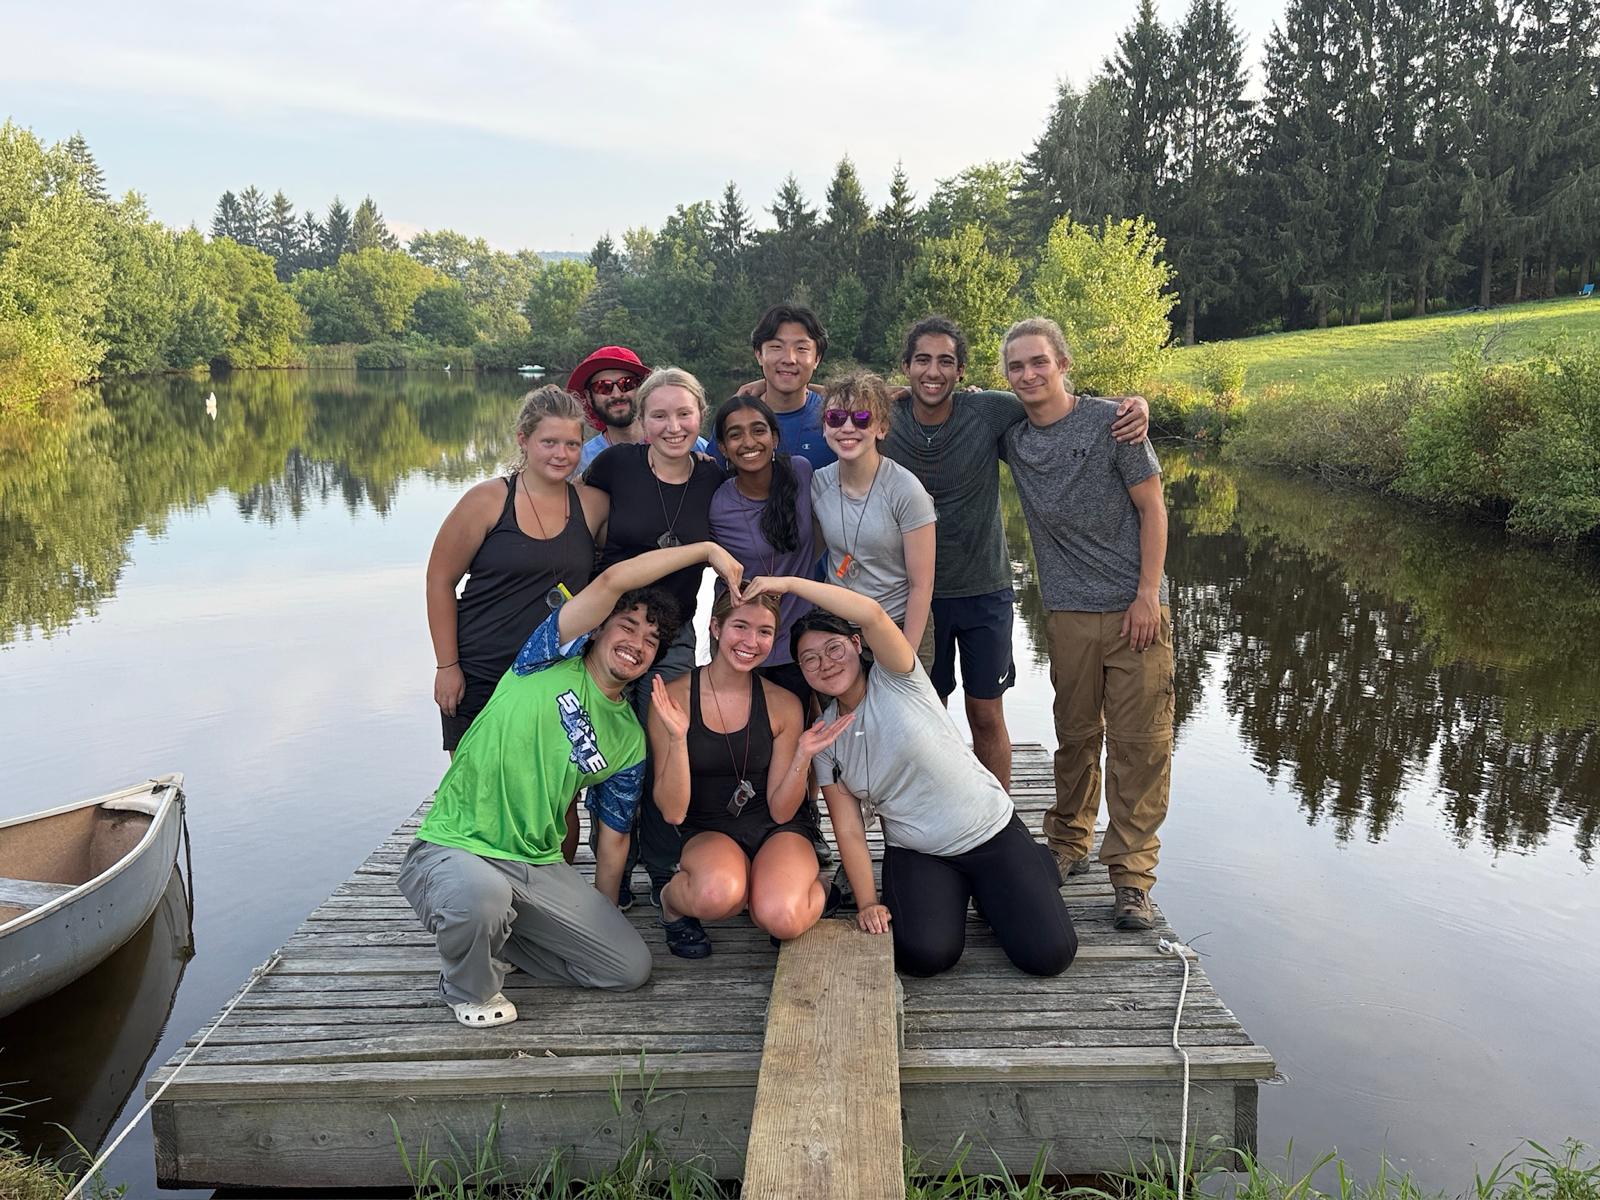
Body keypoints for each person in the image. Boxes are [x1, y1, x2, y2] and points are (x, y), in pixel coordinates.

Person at [398, 539, 745, 1028]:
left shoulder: (628, 738)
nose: (637, 643)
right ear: (598, 627)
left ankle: (499, 937)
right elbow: (614, 581)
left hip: (535, 864)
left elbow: (615, 837)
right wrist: (705, 551)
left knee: (627, 968)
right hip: (456, 844)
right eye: (628, 626)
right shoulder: (544, 658)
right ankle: (467, 985)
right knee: (479, 900)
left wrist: (599, 914)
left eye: (651, 640)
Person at [740, 574, 1077, 979]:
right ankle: (975, 891)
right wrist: (868, 902)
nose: (825, 663)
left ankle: (1019, 873)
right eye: (810, 659)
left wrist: (790, 584)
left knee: (1049, 955)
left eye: (833, 648)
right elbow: (849, 830)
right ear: (803, 671)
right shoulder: (824, 738)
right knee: (924, 955)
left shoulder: (897, 676)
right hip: (919, 852)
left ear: (856, 644)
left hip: (989, 831)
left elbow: (871, 613)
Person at [882, 316, 1150, 792]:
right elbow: (831, 401)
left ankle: (997, 819)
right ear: (905, 367)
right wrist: (766, 386)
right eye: (922, 360)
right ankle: (932, 817)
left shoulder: (988, 411)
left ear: (961, 371)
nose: (933, 371)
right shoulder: (886, 417)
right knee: (924, 713)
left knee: (986, 714)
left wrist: (1133, 405)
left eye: (945, 361)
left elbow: (1058, 405)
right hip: (915, 595)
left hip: (984, 590)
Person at [1000, 317, 1173, 933]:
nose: (1028, 374)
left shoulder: (1114, 423)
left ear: (1063, 364)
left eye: (1038, 362)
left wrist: (1147, 595)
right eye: (1016, 366)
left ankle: (1131, 878)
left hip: (1135, 610)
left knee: (1140, 746)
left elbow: (1154, 509)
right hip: (1069, 612)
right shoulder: (1012, 435)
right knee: (1075, 736)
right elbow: (929, 398)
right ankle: (1069, 843)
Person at [426, 386, 608, 860]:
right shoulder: (487, 501)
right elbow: (440, 580)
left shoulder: (593, 506)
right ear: (524, 440)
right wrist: (447, 666)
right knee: (479, 792)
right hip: (482, 669)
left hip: (554, 679)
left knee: (557, 800)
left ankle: (552, 890)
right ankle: (481, 889)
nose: (561, 454)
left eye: (572, 444)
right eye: (549, 442)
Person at [583, 367, 726, 908]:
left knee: (668, 741)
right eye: (659, 415)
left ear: (700, 417)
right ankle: (613, 874)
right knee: (610, 745)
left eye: (684, 414)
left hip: (674, 634)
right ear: (641, 421)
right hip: (611, 630)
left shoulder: (713, 478)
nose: (672, 426)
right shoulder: (615, 465)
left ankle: (667, 873)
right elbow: (576, 532)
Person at [646, 590, 840, 958]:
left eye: (764, 632)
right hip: (709, 828)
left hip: (777, 827)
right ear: (715, 627)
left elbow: (782, 811)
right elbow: (673, 812)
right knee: (718, 896)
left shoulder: (784, 702)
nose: (751, 642)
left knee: (782, 918)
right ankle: (671, 902)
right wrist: (678, 738)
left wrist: (802, 756)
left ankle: (821, 888)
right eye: (740, 626)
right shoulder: (672, 697)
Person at [811, 370, 936, 655]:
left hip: (896, 626)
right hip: (837, 628)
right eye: (835, 418)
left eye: (861, 418)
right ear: (824, 427)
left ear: (881, 428)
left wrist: (906, 656)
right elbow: (810, 551)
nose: (847, 427)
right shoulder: (818, 483)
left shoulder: (906, 490)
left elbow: (922, 585)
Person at [566, 345, 706, 477]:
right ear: (589, 397)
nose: (616, 394)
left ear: (643, 389)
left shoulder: (690, 444)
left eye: (627, 383)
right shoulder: (581, 462)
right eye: (603, 387)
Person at [725, 304, 835, 470]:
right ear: (759, 355)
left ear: (817, 359)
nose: (789, 359)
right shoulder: (734, 417)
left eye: (801, 348)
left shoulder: (837, 418)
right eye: (776, 347)